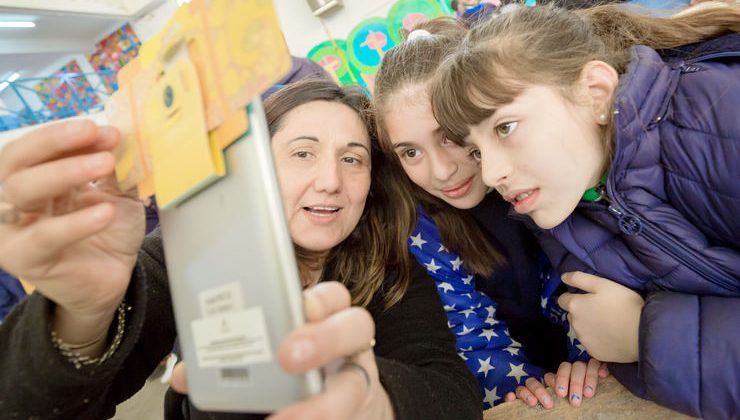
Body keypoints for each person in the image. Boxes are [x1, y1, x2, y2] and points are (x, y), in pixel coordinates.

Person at [0, 79, 481, 420]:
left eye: (352, 160)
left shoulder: (388, 263)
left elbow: (451, 392)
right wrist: (82, 316)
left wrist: (376, 399)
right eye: (303, 153)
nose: (331, 181)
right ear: (257, 169)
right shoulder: (187, 250)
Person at [429, 4, 739, 418]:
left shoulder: (718, 115)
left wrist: (646, 337)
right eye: (476, 150)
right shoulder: (565, 217)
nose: (492, 172)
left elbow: (651, 347)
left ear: (594, 92)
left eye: (505, 127)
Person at [374, 17, 606, 410]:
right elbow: (468, 327)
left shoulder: (543, 171)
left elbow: (587, 270)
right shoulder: (417, 223)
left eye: (448, 136)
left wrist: (590, 358)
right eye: (410, 152)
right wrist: (523, 387)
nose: (441, 171)